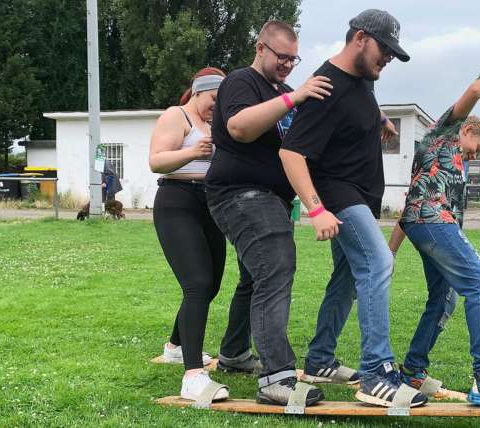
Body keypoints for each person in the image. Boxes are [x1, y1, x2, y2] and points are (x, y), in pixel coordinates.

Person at [279, 9, 428, 408]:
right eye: (385, 50)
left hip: (359, 196)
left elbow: (351, 109)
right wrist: (316, 209)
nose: (389, 59)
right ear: (360, 38)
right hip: (339, 196)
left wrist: (378, 119)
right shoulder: (326, 85)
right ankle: (377, 373)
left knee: (347, 278)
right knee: (379, 263)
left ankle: (320, 359)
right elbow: (291, 153)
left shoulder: (361, 80)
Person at [385, 65, 480, 407]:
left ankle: (412, 371)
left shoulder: (449, 163)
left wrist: (391, 252)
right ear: (468, 129)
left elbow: (412, 200)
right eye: (475, 149)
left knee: (444, 298)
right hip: (432, 223)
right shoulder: (445, 131)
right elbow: (474, 89)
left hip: (424, 224)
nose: (473, 156)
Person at [205, 20, 333, 406]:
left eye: (294, 59)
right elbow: (240, 127)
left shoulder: (285, 92)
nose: (289, 66)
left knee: (254, 277)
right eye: (282, 57)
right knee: (276, 267)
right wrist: (295, 97)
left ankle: (232, 353)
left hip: (271, 197)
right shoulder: (241, 82)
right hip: (240, 193)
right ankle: (276, 378)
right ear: (260, 47)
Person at [150, 67, 257, 404]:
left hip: (211, 204)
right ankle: (193, 375)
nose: (217, 106)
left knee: (209, 286)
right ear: (199, 91)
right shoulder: (176, 115)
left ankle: (175, 347)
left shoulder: (215, 125)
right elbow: (156, 161)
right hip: (176, 201)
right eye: (214, 99)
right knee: (196, 283)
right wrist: (193, 152)